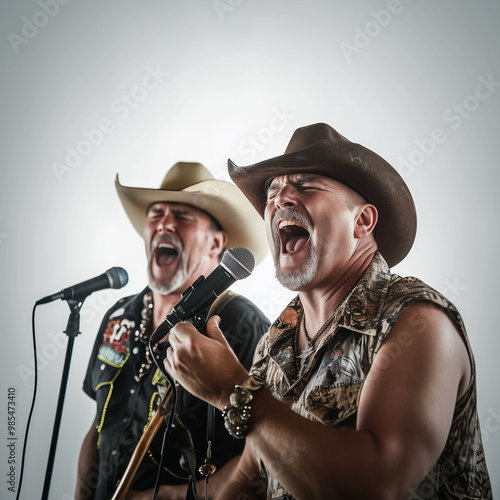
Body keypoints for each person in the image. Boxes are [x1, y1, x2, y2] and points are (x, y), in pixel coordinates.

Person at [163, 124, 492, 499]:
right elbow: (251, 480)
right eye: (273, 190)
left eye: (305, 186)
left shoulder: (418, 322)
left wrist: (232, 389)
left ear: (363, 222)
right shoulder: (274, 344)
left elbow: (377, 485)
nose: (279, 199)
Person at [75, 162, 270, 500]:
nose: (164, 223)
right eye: (156, 215)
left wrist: (169, 496)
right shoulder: (119, 315)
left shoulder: (245, 326)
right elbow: (97, 429)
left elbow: (263, 460)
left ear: (216, 243)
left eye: (182, 216)